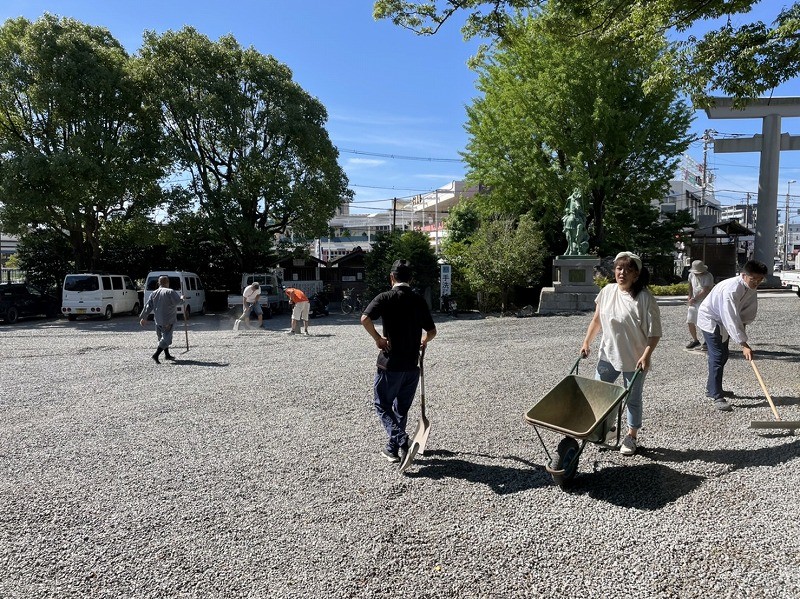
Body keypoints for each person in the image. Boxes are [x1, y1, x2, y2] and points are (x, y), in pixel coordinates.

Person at [580, 251, 661, 456]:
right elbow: (597, 320)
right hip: (608, 354)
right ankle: (605, 430)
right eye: (618, 268)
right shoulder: (607, 291)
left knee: (632, 398)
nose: (621, 272)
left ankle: (631, 436)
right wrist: (586, 342)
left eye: (627, 269)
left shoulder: (644, 299)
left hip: (635, 358)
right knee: (600, 393)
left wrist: (646, 355)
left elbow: (654, 334)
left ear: (636, 274)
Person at [361, 259, 437, 463]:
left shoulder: (385, 297)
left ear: (391, 277)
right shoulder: (418, 300)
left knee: (382, 404)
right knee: (400, 409)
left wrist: (378, 338)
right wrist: (423, 341)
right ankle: (392, 449)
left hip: (390, 363)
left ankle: (403, 441)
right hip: (412, 365)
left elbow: (365, 319)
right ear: (410, 279)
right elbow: (431, 332)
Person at [696, 260, 768, 412]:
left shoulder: (750, 288)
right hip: (711, 319)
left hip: (724, 321)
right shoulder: (731, 289)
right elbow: (730, 317)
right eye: (753, 279)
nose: (756, 282)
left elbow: (747, 313)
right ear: (743, 275)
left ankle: (712, 388)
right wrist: (743, 344)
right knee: (717, 355)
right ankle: (716, 396)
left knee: (723, 355)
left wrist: (743, 330)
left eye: (760, 279)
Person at [139, 275, 185, 364]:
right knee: (166, 339)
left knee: (161, 338)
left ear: (159, 283)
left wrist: (144, 317)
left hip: (158, 320)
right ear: (167, 282)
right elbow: (178, 302)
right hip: (168, 320)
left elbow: (148, 306)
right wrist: (182, 298)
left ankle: (167, 355)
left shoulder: (154, 292)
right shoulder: (170, 291)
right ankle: (156, 355)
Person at [685, 260, 714, 350]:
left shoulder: (708, 276)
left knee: (704, 321)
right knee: (690, 321)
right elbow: (690, 285)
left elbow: (705, 290)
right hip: (694, 301)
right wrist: (690, 296)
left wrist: (695, 298)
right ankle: (695, 340)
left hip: (705, 301)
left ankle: (706, 341)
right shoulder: (691, 275)